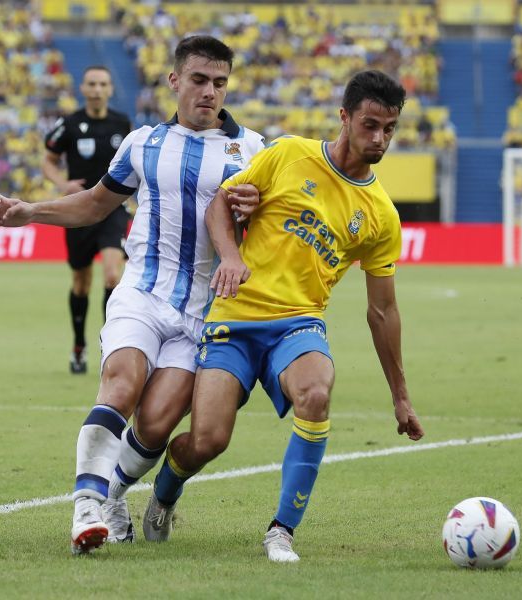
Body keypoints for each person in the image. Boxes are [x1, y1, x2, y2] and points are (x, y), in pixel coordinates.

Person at [0, 35, 264, 553]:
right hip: (142, 291)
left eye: (220, 83)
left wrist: (260, 209)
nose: (209, 92)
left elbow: (274, 224)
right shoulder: (142, 143)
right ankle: (86, 509)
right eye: (199, 80)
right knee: (121, 382)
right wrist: (30, 211)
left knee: (156, 425)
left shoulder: (252, 150)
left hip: (202, 313)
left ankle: (113, 491)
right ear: (175, 80)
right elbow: (95, 204)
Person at [143, 70, 425, 563]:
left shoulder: (381, 215)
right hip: (233, 319)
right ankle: (166, 490)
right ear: (344, 117)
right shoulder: (289, 154)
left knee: (316, 393)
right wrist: (230, 256)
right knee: (207, 441)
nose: (379, 138)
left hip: (297, 324)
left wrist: (401, 396)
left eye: (389, 129)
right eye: (370, 124)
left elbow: (383, 310)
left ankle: (281, 531)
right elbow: (218, 206)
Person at [41, 66, 132, 374]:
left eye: (103, 84)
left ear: (110, 89)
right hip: (79, 212)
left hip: (112, 210)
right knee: (81, 284)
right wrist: (62, 184)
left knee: (112, 275)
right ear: (83, 88)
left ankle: (111, 345)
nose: (97, 89)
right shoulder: (68, 124)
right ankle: (79, 345)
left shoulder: (123, 123)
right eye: (91, 83)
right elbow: (48, 159)